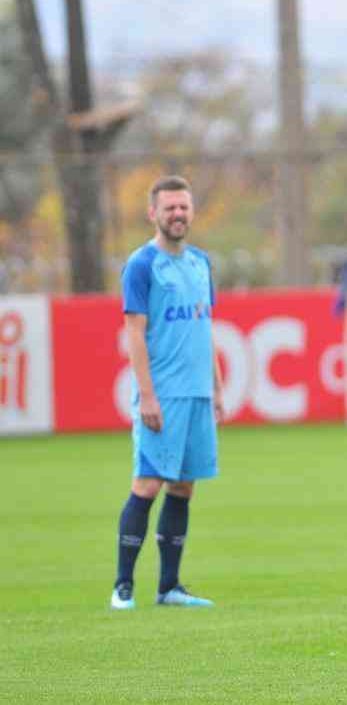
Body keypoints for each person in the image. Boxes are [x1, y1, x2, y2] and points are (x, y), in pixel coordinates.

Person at [111, 175, 223, 609]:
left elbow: (205, 327)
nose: (177, 214)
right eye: (169, 208)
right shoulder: (142, 265)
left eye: (183, 207)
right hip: (164, 394)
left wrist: (215, 387)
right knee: (148, 484)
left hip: (196, 394)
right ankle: (123, 586)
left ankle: (169, 587)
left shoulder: (200, 262)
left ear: (191, 211)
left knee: (183, 488)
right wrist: (148, 395)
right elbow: (134, 335)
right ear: (152, 213)